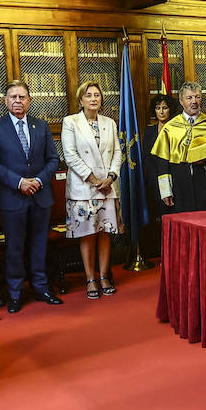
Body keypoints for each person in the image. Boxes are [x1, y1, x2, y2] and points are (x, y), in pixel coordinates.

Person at [0, 80, 63, 312]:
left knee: (39, 244)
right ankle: (16, 293)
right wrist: (19, 182)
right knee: (15, 246)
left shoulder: (41, 126)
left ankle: (41, 288)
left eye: (22, 97)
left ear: (29, 100)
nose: (18, 101)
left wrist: (38, 180)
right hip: (12, 196)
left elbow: (53, 159)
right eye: (13, 97)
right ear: (5, 100)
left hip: (40, 194)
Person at [62, 81, 124, 299]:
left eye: (97, 95)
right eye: (88, 95)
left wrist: (110, 177)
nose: (93, 99)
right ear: (81, 99)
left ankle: (105, 276)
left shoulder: (110, 122)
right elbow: (70, 155)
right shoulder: (71, 122)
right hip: (83, 188)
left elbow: (118, 152)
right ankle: (90, 278)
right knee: (87, 234)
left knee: (105, 232)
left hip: (107, 188)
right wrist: (94, 179)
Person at [151, 82, 206, 214]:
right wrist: (166, 191)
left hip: (205, 180)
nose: (194, 101)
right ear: (181, 101)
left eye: (197, 97)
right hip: (179, 181)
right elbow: (162, 163)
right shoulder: (170, 127)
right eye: (189, 98)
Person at [141, 93, 173, 259]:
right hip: (153, 182)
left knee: (171, 219)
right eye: (158, 108)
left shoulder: (175, 129)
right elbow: (146, 158)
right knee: (157, 219)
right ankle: (160, 254)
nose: (161, 111)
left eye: (165, 108)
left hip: (171, 182)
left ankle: (172, 253)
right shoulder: (149, 131)